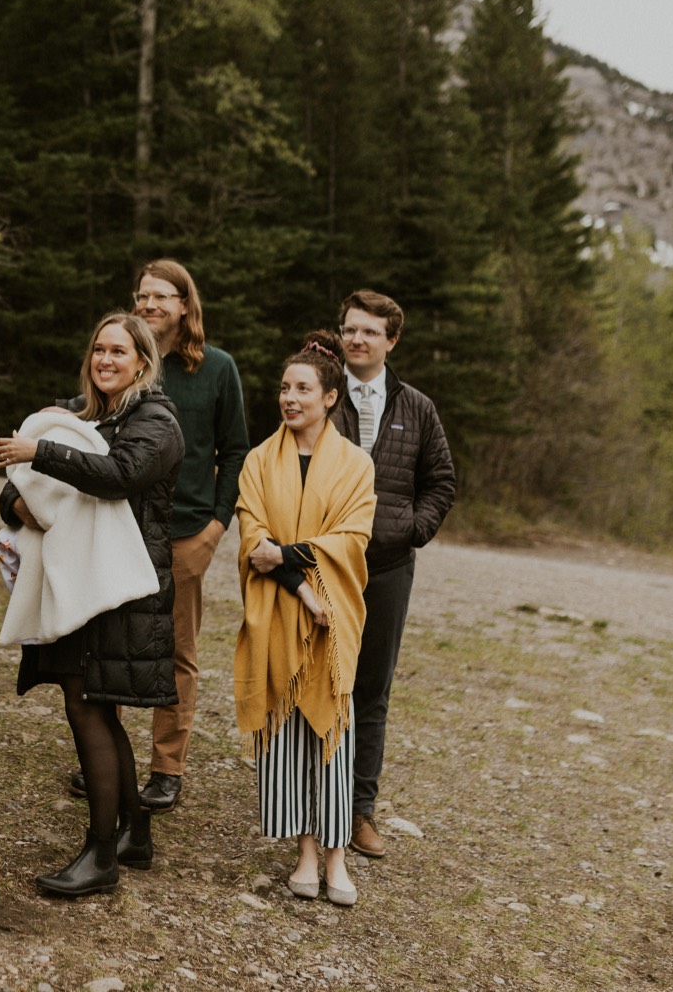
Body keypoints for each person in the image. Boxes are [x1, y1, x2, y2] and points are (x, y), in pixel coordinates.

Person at [0, 312, 184, 897]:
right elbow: (17, 484)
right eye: (98, 349)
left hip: (122, 587)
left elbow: (118, 475)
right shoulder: (76, 415)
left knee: (88, 707)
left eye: (119, 352)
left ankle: (102, 853)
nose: (106, 360)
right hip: (77, 580)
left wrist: (40, 452)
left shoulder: (157, 421)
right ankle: (134, 834)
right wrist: (18, 505)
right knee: (91, 705)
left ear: (143, 363)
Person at [74, 259, 247, 814]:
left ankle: (166, 769)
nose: (148, 304)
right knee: (110, 642)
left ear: (184, 305)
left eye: (161, 296)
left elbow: (235, 450)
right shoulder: (123, 361)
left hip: (187, 531)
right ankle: (107, 758)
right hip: (118, 525)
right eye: (141, 294)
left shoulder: (217, 369)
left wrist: (217, 526)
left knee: (175, 650)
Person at [234, 330, 376, 906]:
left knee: (334, 733)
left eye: (302, 389)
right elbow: (252, 534)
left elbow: (352, 536)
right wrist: (297, 587)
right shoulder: (258, 461)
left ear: (330, 398)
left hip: (334, 617)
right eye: (284, 388)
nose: (290, 398)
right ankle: (305, 853)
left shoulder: (355, 465)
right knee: (287, 729)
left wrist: (290, 559)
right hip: (281, 610)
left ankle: (339, 858)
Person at [329, 290, 455, 858]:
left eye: (370, 332)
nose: (358, 339)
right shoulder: (322, 397)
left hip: (387, 568)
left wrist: (410, 530)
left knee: (370, 692)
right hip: (325, 565)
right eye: (350, 330)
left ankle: (359, 810)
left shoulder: (417, 407)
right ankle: (315, 803)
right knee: (320, 681)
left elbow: (442, 481)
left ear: (391, 341)